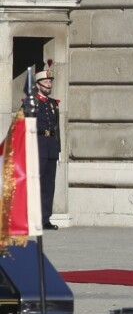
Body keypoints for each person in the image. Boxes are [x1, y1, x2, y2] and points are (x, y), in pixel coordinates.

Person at [34, 64, 61, 230]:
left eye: (50, 81)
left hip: (51, 147)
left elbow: (57, 128)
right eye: (46, 81)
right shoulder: (30, 102)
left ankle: (45, 219)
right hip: (37, 146)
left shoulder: (53, 103)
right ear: (38, 84)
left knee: (48, 185)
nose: (49, 85)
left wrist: (58, 150)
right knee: (35, 184)